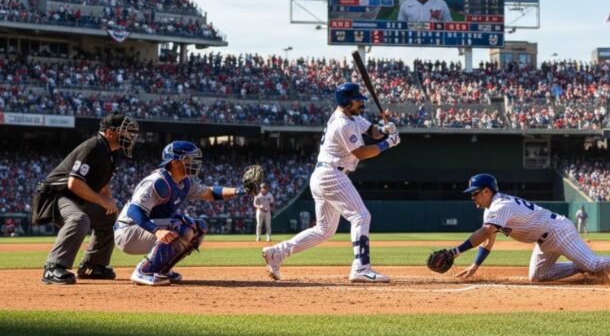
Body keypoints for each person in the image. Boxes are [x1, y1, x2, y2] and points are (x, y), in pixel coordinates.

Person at [262, 82, 400, 283]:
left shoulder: (351, 116)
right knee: (361, 216)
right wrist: (389, 142)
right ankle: (361, 268)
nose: (361, 103)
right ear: (347, 102)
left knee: (324, 230)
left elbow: (372, 131)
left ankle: (277, 253)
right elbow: (361, 153)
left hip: (324, 174)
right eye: (357, 100)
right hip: (332, 175)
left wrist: (385, 129)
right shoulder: (343, 124)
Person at [443, 174, 610, 283]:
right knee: (537, 276)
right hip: (543, 241)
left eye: (475, 193)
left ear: (487, 191)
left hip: (558, 231)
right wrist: (475, 265)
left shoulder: (501, 205)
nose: (472, 197)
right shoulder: (491, 209)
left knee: (593, 263)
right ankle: (580, 267)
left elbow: (484, 232)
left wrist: (455, 252)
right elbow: (488, 239)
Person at [113, 141, 251, 286]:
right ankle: (144, 271)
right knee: (181, 227)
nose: (194, 162)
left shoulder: (185, 182)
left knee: (199, 228)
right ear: (174, 162)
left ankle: (162, 268)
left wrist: (240, 190)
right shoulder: (157, 181)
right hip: (127, 231)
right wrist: (157, 231)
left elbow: (210, 193)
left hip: (145, 229)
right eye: (188, 159)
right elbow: (133, 211)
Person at [39, 112, 139, 284]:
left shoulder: (111, 152)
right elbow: (74, 183)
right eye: (124, 131)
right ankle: (52, 267)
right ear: (110, 132)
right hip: (56, 195)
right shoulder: (93, 147)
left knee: (109, 216)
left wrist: (109, 202)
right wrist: (102, 201)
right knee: (79, 219)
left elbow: (102, 184)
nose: (129, 135)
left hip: (74, 197)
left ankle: (92, 265)